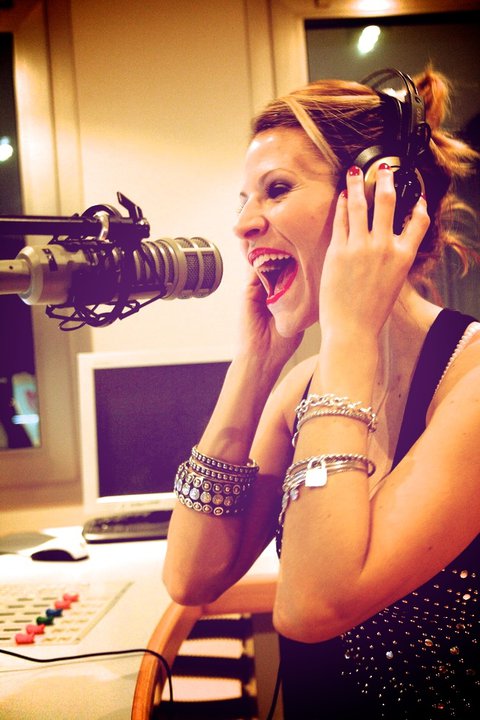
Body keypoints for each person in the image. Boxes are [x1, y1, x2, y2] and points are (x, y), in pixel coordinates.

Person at [163, 66, 480, 719]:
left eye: (276, 190)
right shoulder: (298, 389)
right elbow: (190, 576)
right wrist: (254, 366)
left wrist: (350, 331)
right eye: (243, 200)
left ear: (379, 196)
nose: (243, 225)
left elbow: (311, 609)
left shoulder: (471, 383)